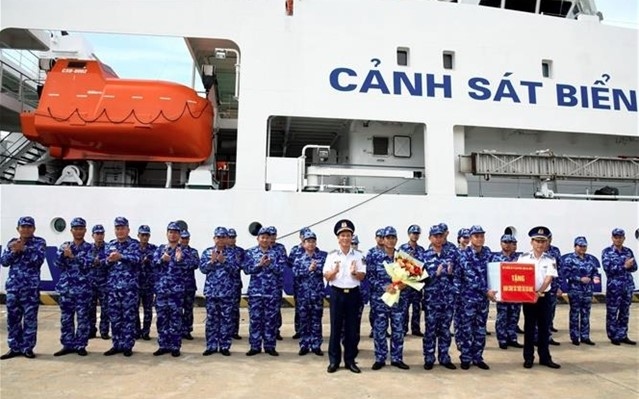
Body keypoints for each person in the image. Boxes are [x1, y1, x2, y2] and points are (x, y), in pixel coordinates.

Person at [0, 216, 46, 360]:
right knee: (13, 319)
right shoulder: (12, 243)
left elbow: (38, 260)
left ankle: (27, 348)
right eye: (23, 226)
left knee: (30, 320)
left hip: (30, 288)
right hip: (14, 288)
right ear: (18, 228)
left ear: (34, 229)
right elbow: (4, 261)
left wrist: (24, 249)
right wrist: (14, 251)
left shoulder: (39, 242)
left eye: (29, 226)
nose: (26, 229)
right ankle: (14, 347)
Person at [324, 219, 365, 374]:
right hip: (337, 294)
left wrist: (356, 273)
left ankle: (350, 361)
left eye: (348, 235)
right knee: (335, 328)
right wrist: (334, 272)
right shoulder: (331, 256)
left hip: (353, 294)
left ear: (352, 237)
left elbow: (362, 276)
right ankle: (334, 361)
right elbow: (327, 276)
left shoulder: (359, 256)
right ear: (338, 238)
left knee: (351, 329)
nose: (346, 238)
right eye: (343, 235)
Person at [367, 226, 410, 371]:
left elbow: (411, 277)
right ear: (383, 240)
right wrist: (384, 287)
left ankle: (397, 358)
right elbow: (370, 277)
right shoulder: (374, 256)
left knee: (398, 330)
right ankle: (380, 358)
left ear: (396, 240)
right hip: (381, 300)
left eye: (393, 238)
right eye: (388, 238)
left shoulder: (403, 257)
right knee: (380, 330)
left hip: (399, 300)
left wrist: (404, 284)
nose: (390, 241)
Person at [517, 226, 560, 369]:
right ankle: (528, 358)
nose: (540, 244)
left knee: (544, 328)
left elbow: (549, 278)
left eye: (543, 241)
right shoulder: (523, 258)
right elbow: (517, 276)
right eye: (537, 241)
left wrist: (538, 292)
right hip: (528, 297)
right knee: (529, 328)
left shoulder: (550, 259)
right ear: (532, 242)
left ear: (546, 243)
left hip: (543, 297)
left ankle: (545, 358)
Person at [455, 225, 493, 370]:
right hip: (467, 299)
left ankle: (477, 357)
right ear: (470, 238)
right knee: (466, 330)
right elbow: (470, 276)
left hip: (483, 300)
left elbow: (495, 272)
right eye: (476, 236)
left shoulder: (488, 253)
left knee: (480, 329)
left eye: (482, 236)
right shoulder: (464, 255)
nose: (479, 239)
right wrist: (486, 290)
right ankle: (465, 358)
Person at [54, 217, 93, 357]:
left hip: (83, 289)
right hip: (67, 289)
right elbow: (57, 265)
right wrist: (64, 256)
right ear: (71, 230)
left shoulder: (90, 247)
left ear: (85, 230)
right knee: (66, 318)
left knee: (83, 319)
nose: (78, 231)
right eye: (75, 228)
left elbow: (90, 264)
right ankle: (67, 344)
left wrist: (73, 257)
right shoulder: (65, 246)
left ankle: (81, 345)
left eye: (81, 228)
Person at [103, 217, 141, 357]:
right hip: (113, 288)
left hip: (129, 288)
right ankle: (116, 344)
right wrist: (108, 260)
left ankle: (127, 345)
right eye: (117, 228)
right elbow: (104, 264)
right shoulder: (110, 245)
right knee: (115, 317)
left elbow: (137, 260)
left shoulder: (134, 244)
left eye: (122, 228)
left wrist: (121, 257)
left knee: (128, 317)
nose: (120, 231)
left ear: (128, 230)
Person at [243, 227, 283, 356]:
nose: (265, 240)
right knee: (255, 320)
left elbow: (282, 270)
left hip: (272, 292)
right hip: (256, 292)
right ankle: (255, 346)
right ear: (258, 239)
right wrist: (259, 265)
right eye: (263, 237)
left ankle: (270, 346)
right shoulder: (250, 253)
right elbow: (247, 270)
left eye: (267, 237)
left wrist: (270, 264)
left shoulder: (277, 253)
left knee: (270, 320)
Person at [422, 225, 457, 370]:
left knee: (445, 330)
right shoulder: (423, 256)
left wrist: (450, 274)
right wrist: (433, 275)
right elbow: (418, 279)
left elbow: (459, 276)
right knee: (430, 330)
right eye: (435, 236)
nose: (438, 239)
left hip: (447, 299)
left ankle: (444, 357)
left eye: (440, 236)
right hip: (431, 300)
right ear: (430, 238)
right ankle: (429, 358)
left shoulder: (451, 255)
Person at [200, 227, 237, 356]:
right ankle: (211, 345)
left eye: (223, 237)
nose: (220, 240)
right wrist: (212, 261)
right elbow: (203, 269)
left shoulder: (232, 253)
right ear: (214, 238)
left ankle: (225, 346)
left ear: (227, 239)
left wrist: (224, 261)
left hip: (227, 293)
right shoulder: (207, 252)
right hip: (212, 292)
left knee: (226, 320)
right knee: (211, 320)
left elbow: (235, 270)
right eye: (218, 237)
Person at [152, 222, 186, 357]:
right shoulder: (160, 249)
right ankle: (163, 345)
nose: (173, 234)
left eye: (176, 232)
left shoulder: (184, 250)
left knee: (176, 319)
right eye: (171, 232)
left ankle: (175, 346)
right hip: (161, 291)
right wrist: (162, 259)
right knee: (162, 319)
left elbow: (192, 265)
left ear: (179, 235)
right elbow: (153, 264)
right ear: (167, 234)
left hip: (176, 292)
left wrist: (180, 260)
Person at [292, 230, 327, 356]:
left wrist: (317, 270)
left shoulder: (322, 258)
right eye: (308, 242)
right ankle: (304, 344)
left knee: (317, 320)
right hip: (303, 295)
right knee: (304, 320)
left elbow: (326, 272)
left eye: (313, 241)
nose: (311, 244)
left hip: (317, 294)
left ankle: (316, 345)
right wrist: (308, 270)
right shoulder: (298, 259)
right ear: (303, 243)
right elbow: (295, 275)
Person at [561, 236, 600, 346]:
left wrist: (595, 278)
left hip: (587, 291)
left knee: (586, 314)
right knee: (575, 314)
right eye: (580, 246)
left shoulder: (590, 259)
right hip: (575, 291)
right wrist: (579, 279)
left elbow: (595, 271)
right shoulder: (569, 259)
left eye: (584, 246)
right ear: (575, 246)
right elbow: (566, 274)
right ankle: (574, 337)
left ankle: (585, 336)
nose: (582, 248)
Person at [602, 228, 637, 345]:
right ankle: (613, 335)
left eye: (620, 237)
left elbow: (635, 267)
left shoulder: (628, 251)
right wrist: (624, 266)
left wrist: (629, 266)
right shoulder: (607, 252)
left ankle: (622, 334)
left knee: (625, 312)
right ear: (612, 238)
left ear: (624, 238)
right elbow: (608, 269)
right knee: (612, 312)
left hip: (627, 286)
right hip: (614, 287)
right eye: (616, 237)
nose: (618, 239)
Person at [490, 234, 523, 350]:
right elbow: (492, 275)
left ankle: (512, 338)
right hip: (502, 293)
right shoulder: (495, 258)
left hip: (516, 293)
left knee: (514, 316)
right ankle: (502, 339)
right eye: (505, 242)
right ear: (501, 243)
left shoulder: (520, 258)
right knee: (502, 317)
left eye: (510, 242)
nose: (507, 245)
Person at [399, 224, 426, 337]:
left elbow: (424, 266)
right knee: (404, 308)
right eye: (413, 233)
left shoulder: (421, 250)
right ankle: (404, 329)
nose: (415, 236)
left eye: (417, 234)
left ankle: (416, 329)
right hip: (406, 283)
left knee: (416, 308)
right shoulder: (403, 248)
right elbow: (399, 264)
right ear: (409, 234)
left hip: (416, 283)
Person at [287, 227, 311, 339]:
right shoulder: (295, 250)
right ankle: (299, 330)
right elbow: (290, 265)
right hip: (299, 284)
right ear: (301, 237)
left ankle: (310, 331)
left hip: (312, 286)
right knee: (299, 309)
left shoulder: (315, 250)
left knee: (311, 310)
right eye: (304, 235)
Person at [88, 224, 110, 340]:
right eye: (97, 234)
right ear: (93, 235)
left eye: (101, 234)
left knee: (105, 309)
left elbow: (110, 261)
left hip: (104, 283)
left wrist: (100, 262)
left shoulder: (109, 247)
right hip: (91, 283)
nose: (99, 236)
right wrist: (93, 262)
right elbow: (84, 261)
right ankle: (91, 330)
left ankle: (104, 331)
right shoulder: (88, 248)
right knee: (90, 308)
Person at [136, 225, 156, 341]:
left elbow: (158, 263)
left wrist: (150, 261)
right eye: (142, 235)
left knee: (148, 309)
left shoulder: (154, 249)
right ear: (138, 235)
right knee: (135, 309)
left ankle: (146, 332)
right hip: (136, 284)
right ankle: (137, 331)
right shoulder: (134, 248)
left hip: (148, 284)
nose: (144, 237)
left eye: (146, 235)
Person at [179, 230, 199, 341]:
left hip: (189, 285)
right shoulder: (174, 250)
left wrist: (181, 260)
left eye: (186, 238)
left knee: (188, 310)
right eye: (183, 238)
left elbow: (195, 264)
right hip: (177, 286)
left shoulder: (193, 252)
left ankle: (187, 330)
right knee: (177, 310)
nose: (184, 240)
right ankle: (178, 330)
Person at [227, 228, 244, 340]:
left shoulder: (240, 251)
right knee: (225, 309)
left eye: (233, 237)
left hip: (235, 284)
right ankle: (225, 331)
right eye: (230, 237)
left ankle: (234, 331)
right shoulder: (221, 250)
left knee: (234, 309)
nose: (232, 239)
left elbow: (243, 265)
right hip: (223, 285)